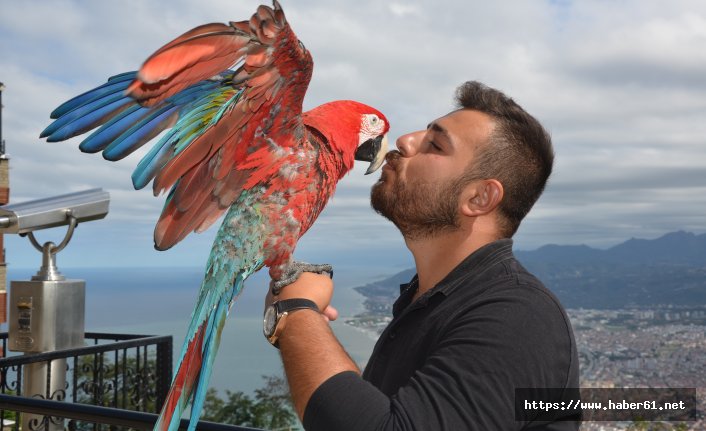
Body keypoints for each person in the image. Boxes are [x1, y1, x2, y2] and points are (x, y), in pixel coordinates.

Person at [263, 81, 580, 430]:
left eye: (435, 144)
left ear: (479, 198)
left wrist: (296, 315)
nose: (404, 141)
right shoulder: (429, 303)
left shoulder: (521, 317)